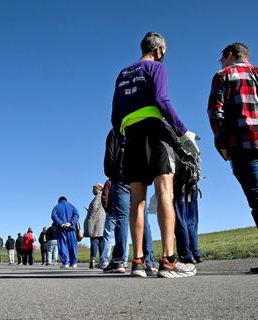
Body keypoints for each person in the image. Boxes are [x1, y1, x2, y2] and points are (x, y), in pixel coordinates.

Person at [111, 32, 198, 277]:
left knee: (136, 200)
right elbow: (161, 98)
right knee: (164, 194)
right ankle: (168, 260)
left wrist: (123, 139)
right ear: (159, 50)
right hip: (155, 134)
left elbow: (115, 115)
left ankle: (137, 262)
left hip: (132, 136)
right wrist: (182, 130)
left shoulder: (123, 73)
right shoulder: (156, 68)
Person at [207, 42, 258, 273]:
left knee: (256, 198)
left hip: (243, 144)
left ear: (229, 55)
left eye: (222, 58)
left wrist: (221, 143)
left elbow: (216, 112)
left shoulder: (223, 75)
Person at [102, 129, 157, 275]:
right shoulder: (142, 128)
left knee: (122, 218)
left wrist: (113, 174)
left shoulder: (115, 132)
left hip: (121, 178)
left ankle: (119, 261)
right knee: (143, 218)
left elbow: (109, 158)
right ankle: (148, 262)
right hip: (139, 178)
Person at [51, 196, 79, 268]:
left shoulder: (56, 207)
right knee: (72, 245)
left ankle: (65, 263)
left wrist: (61, 223)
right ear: (66, 200)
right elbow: (76, 215)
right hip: (71, 228)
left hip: (60, 228)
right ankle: (74, 263)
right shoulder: (71, 206)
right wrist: (70, 223)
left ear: (59, 201)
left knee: (62, 245)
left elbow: (53, 216)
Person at [83, 183, 106, 268]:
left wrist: (89, 217)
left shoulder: (98, 197)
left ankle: (92, 260)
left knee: (94, 240)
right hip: (102, 222)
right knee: (101, 242)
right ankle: (102, 260)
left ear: (99, 189)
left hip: (95, 222)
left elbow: (94, 208)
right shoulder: (104, 196)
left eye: (94, 189)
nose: (93, 191)